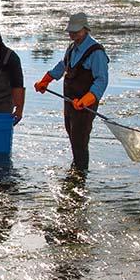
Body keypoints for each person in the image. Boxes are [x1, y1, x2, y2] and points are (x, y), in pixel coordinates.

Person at [34, 12, 109, 171]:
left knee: (80, 140)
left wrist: (87, 99)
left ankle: (81, 175)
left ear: (85, 29)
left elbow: (101, 80)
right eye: (71, 31)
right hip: (69, 103)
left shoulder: (96, 52)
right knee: (72, 135)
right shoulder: (72, 47)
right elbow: (63, 65)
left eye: (76, 31)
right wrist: (46, 80)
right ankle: (76, 169)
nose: (72, 33)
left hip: (85, 105)